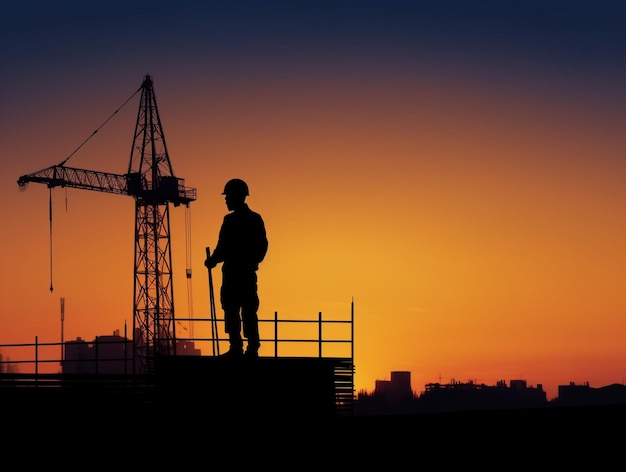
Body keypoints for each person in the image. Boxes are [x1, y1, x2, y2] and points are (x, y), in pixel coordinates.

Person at [205, 178, 268, 359]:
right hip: (235, 273)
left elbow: (261, 246)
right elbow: (222, 246)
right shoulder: (234, 220)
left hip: (242, 272)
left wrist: (250, 261)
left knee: (246, 309)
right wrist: (214, 260)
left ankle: (250, 347)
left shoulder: (250, 220)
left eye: (228, 197)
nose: (226, 200)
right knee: (232, 308)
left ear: (237, 197)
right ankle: (237, 345)